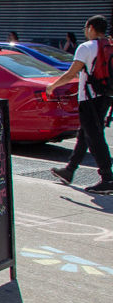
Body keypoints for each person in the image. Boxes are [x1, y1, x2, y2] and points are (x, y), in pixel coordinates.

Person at [47, 15, 113, 195]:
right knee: (85, 134)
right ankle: (70, 170)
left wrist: (53, 86)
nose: (85, 32)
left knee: (95, 137)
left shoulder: (86, 47)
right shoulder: (109, 45)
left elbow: (71, 74)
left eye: (85, 28)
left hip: (90, 99)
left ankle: (107, 178)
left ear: (91, 28)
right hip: (105, 96)